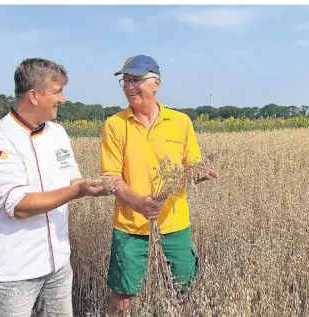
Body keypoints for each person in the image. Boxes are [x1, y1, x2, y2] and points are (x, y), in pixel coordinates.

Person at [0, 57, 118, 317]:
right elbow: (18, 206)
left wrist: (91, 185)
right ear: (34, 95)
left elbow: (71, 179)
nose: (62, 99)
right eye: (56, 91)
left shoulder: (57, 133)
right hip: (14, 272)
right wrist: (77, 191)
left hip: (59, 265)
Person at [100, 54, 220, 316]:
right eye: (126, 81)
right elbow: (110, 178)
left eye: (136, 80)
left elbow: (191, 167)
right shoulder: (115, 125)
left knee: (184, 291)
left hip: (175, 225)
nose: (129, 87)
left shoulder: (180, 122)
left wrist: (199, 174)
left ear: (157, 83)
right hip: (130, 227)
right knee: (122, 297)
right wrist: (139, 204)